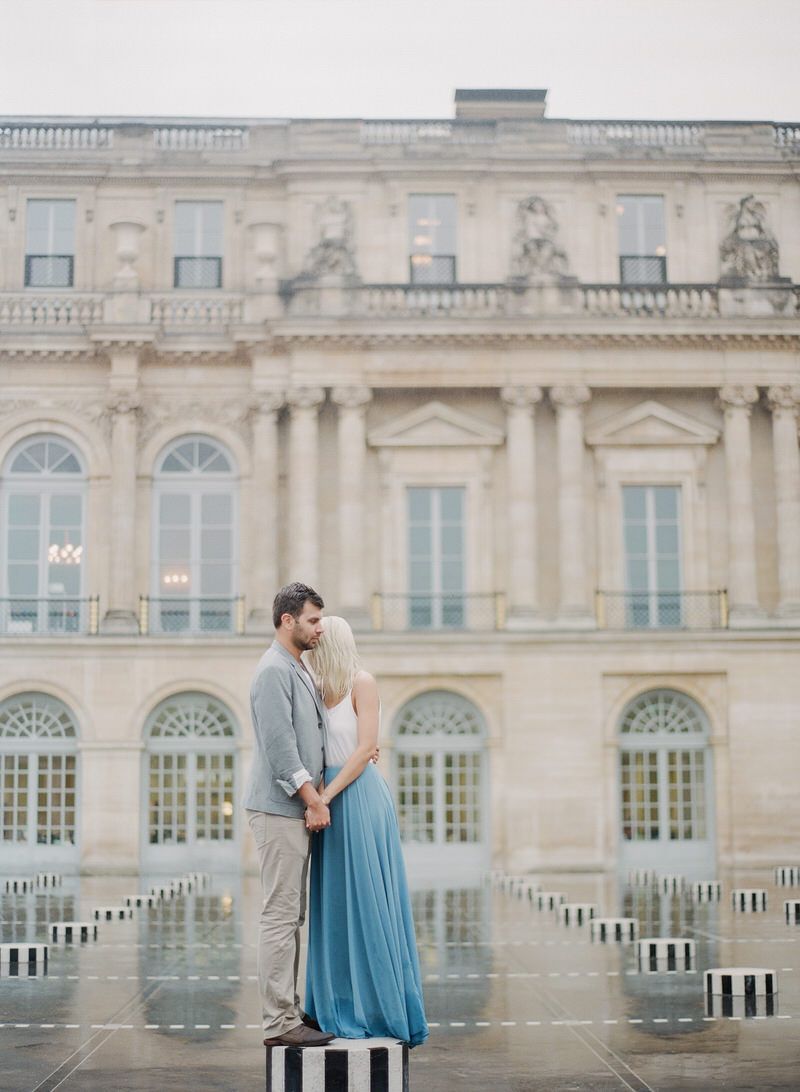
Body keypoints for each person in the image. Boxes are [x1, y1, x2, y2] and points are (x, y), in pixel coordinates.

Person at [303, 616, 429, 1047]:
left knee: (371, 901)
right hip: (328, 800)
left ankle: (382, 1007)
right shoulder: (317, 690)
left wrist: (324, 796)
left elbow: (363, 751)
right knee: (334, 902)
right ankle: (334, 1005)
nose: (313, 641)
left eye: (319, 636)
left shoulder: (363, 682)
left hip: (357, 796)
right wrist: (317, 795)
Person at [243, 582, 336, 1048]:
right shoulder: (273, 671)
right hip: (279, 808)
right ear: (288, 620)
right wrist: (313, 799)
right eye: (314, 619)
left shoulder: (296, 667)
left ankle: (288, 1008)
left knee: (292, 914)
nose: (320, 628)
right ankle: (279, 1023)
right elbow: (281, 748)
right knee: (280, 915)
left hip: (291, 807)